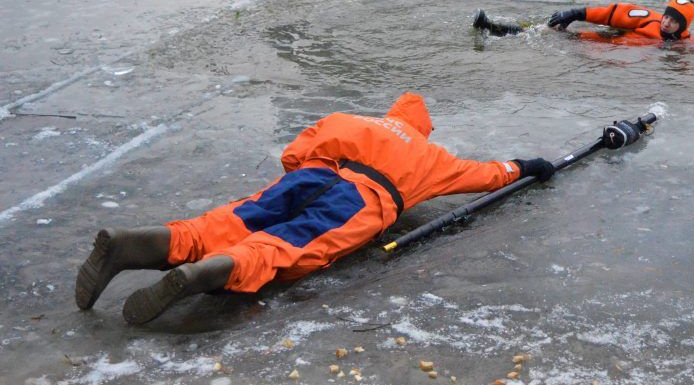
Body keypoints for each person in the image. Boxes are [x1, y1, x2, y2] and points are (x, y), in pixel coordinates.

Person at [75, 92, 556, 325]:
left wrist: (303, 174)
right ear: (423, 128)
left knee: (227, 220)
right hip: (362, 200)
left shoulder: (355, 120)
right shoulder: (433, 157)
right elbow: (490, 174)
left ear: (392, 113)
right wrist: (529, 164)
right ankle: (210, 273)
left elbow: (295, 149)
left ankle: (141, 245)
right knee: (287, 246)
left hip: (314, 173)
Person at [474, 0, 694, 45]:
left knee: (557, 36)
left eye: (674, 21)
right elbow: (617, 13)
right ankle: (492, 28)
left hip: (606, 43)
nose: (666, 22)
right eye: (667, 16)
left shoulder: (684, 44)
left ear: (683, 27)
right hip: (610, 37)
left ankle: (493, 30)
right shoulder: (651, 20)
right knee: (547, 30)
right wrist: (577, 13)